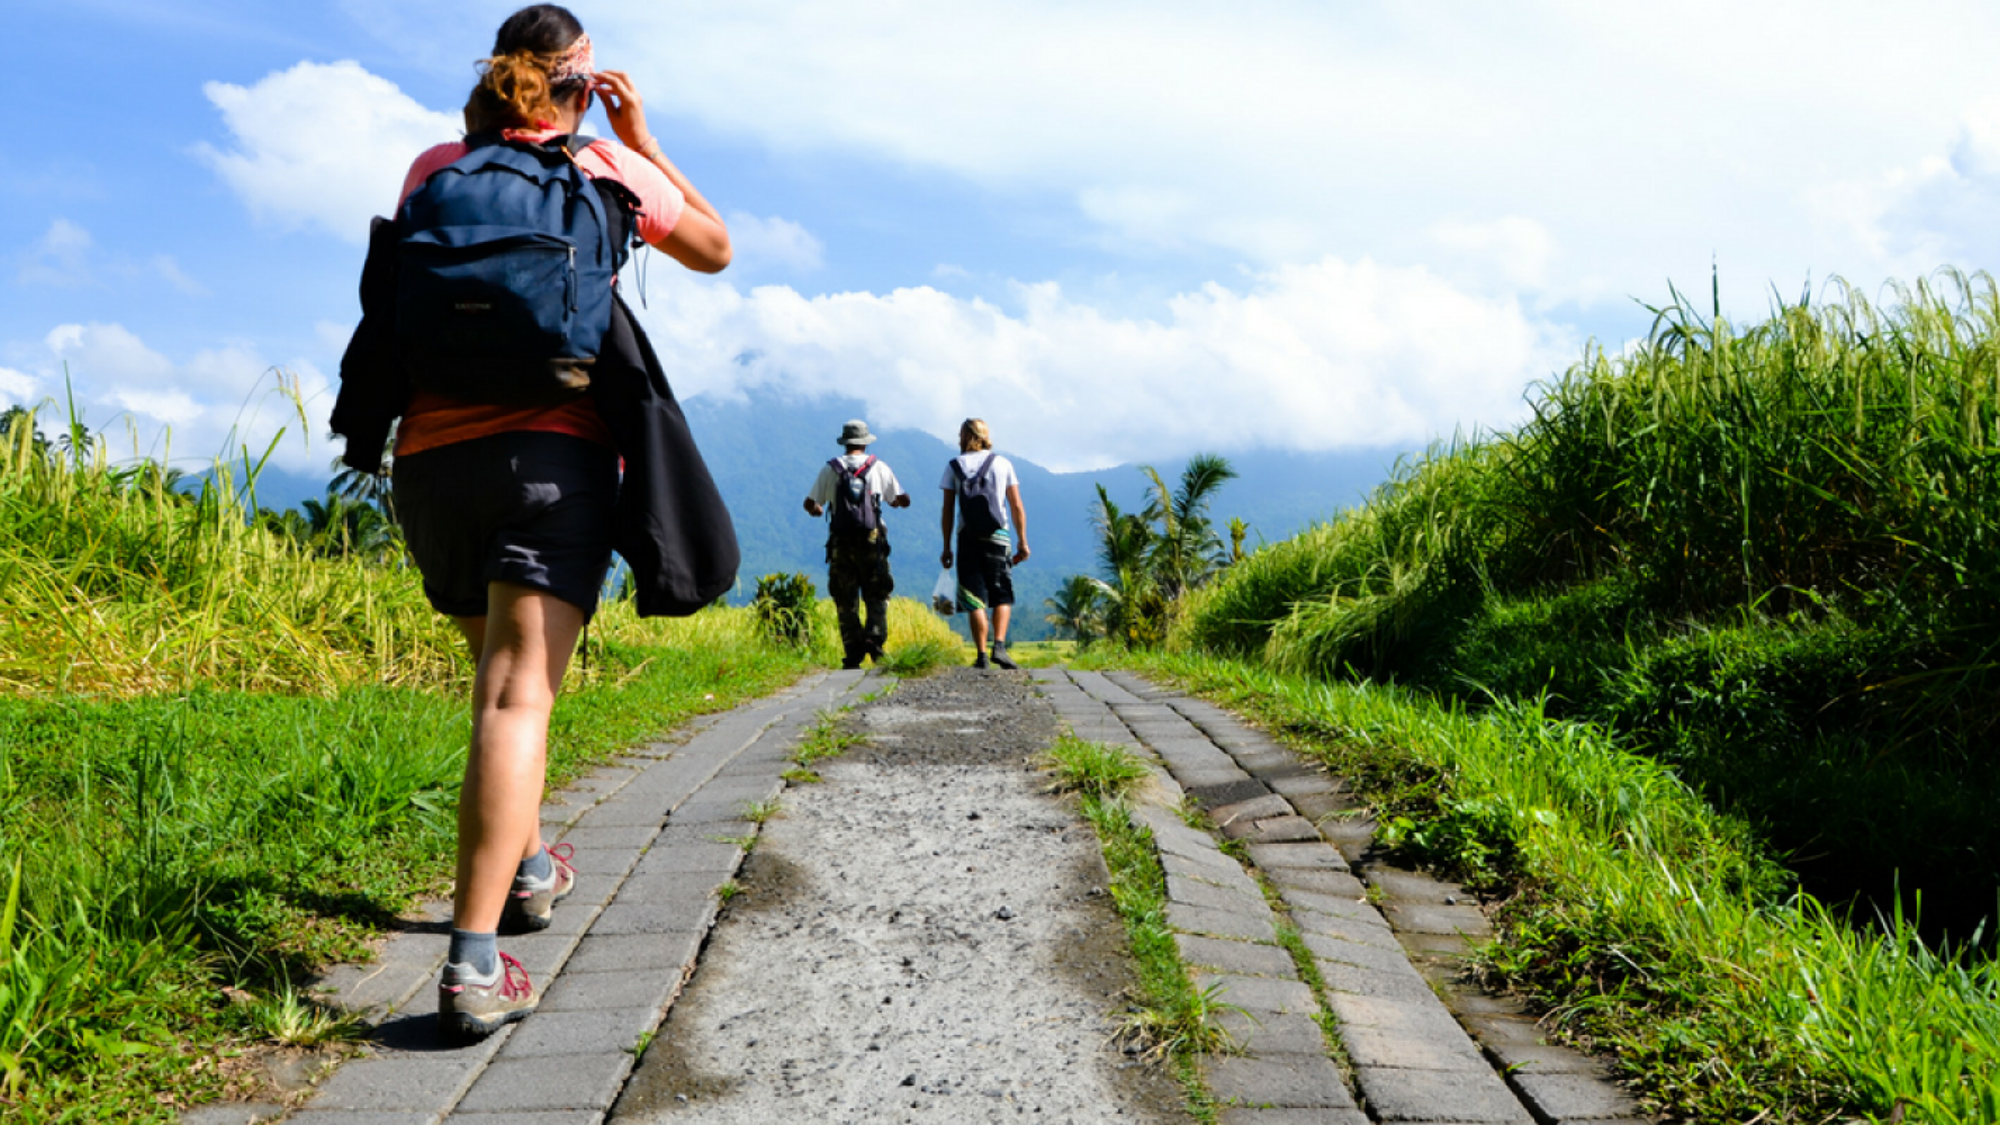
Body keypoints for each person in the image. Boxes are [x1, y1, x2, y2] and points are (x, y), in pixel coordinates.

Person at [388, 4, 731, 1043]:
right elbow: (715, 249)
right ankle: (473, 963)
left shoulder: (434, 167)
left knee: (495, 683)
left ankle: (532, 866)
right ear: (583, 85)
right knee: (516, 698)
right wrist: (644, 141)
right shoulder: (604, 168)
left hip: (428, 463)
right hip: (550, 458)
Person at [803, 420, 912, 669]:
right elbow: (902, 499)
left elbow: (809, 503)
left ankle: (853, 652)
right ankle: (874, 638)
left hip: (840, 542)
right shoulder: (878, 467)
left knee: (845, 598)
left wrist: (818, 510)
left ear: (845, 442)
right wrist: (897, 501)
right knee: (877, 592)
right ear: (865, 442)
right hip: (872, 542)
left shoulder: (831, 469)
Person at [939, 418, 1029, 670]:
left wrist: (946, 546)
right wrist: (1023, 541)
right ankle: (999, 647)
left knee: (973, 597)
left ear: (965, 436)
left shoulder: (954, 466)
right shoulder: (1002, 464)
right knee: (1002, 594)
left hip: (967, 537)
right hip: (998, 536)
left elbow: (947, 509)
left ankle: (981, 655)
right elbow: (1016, 505)